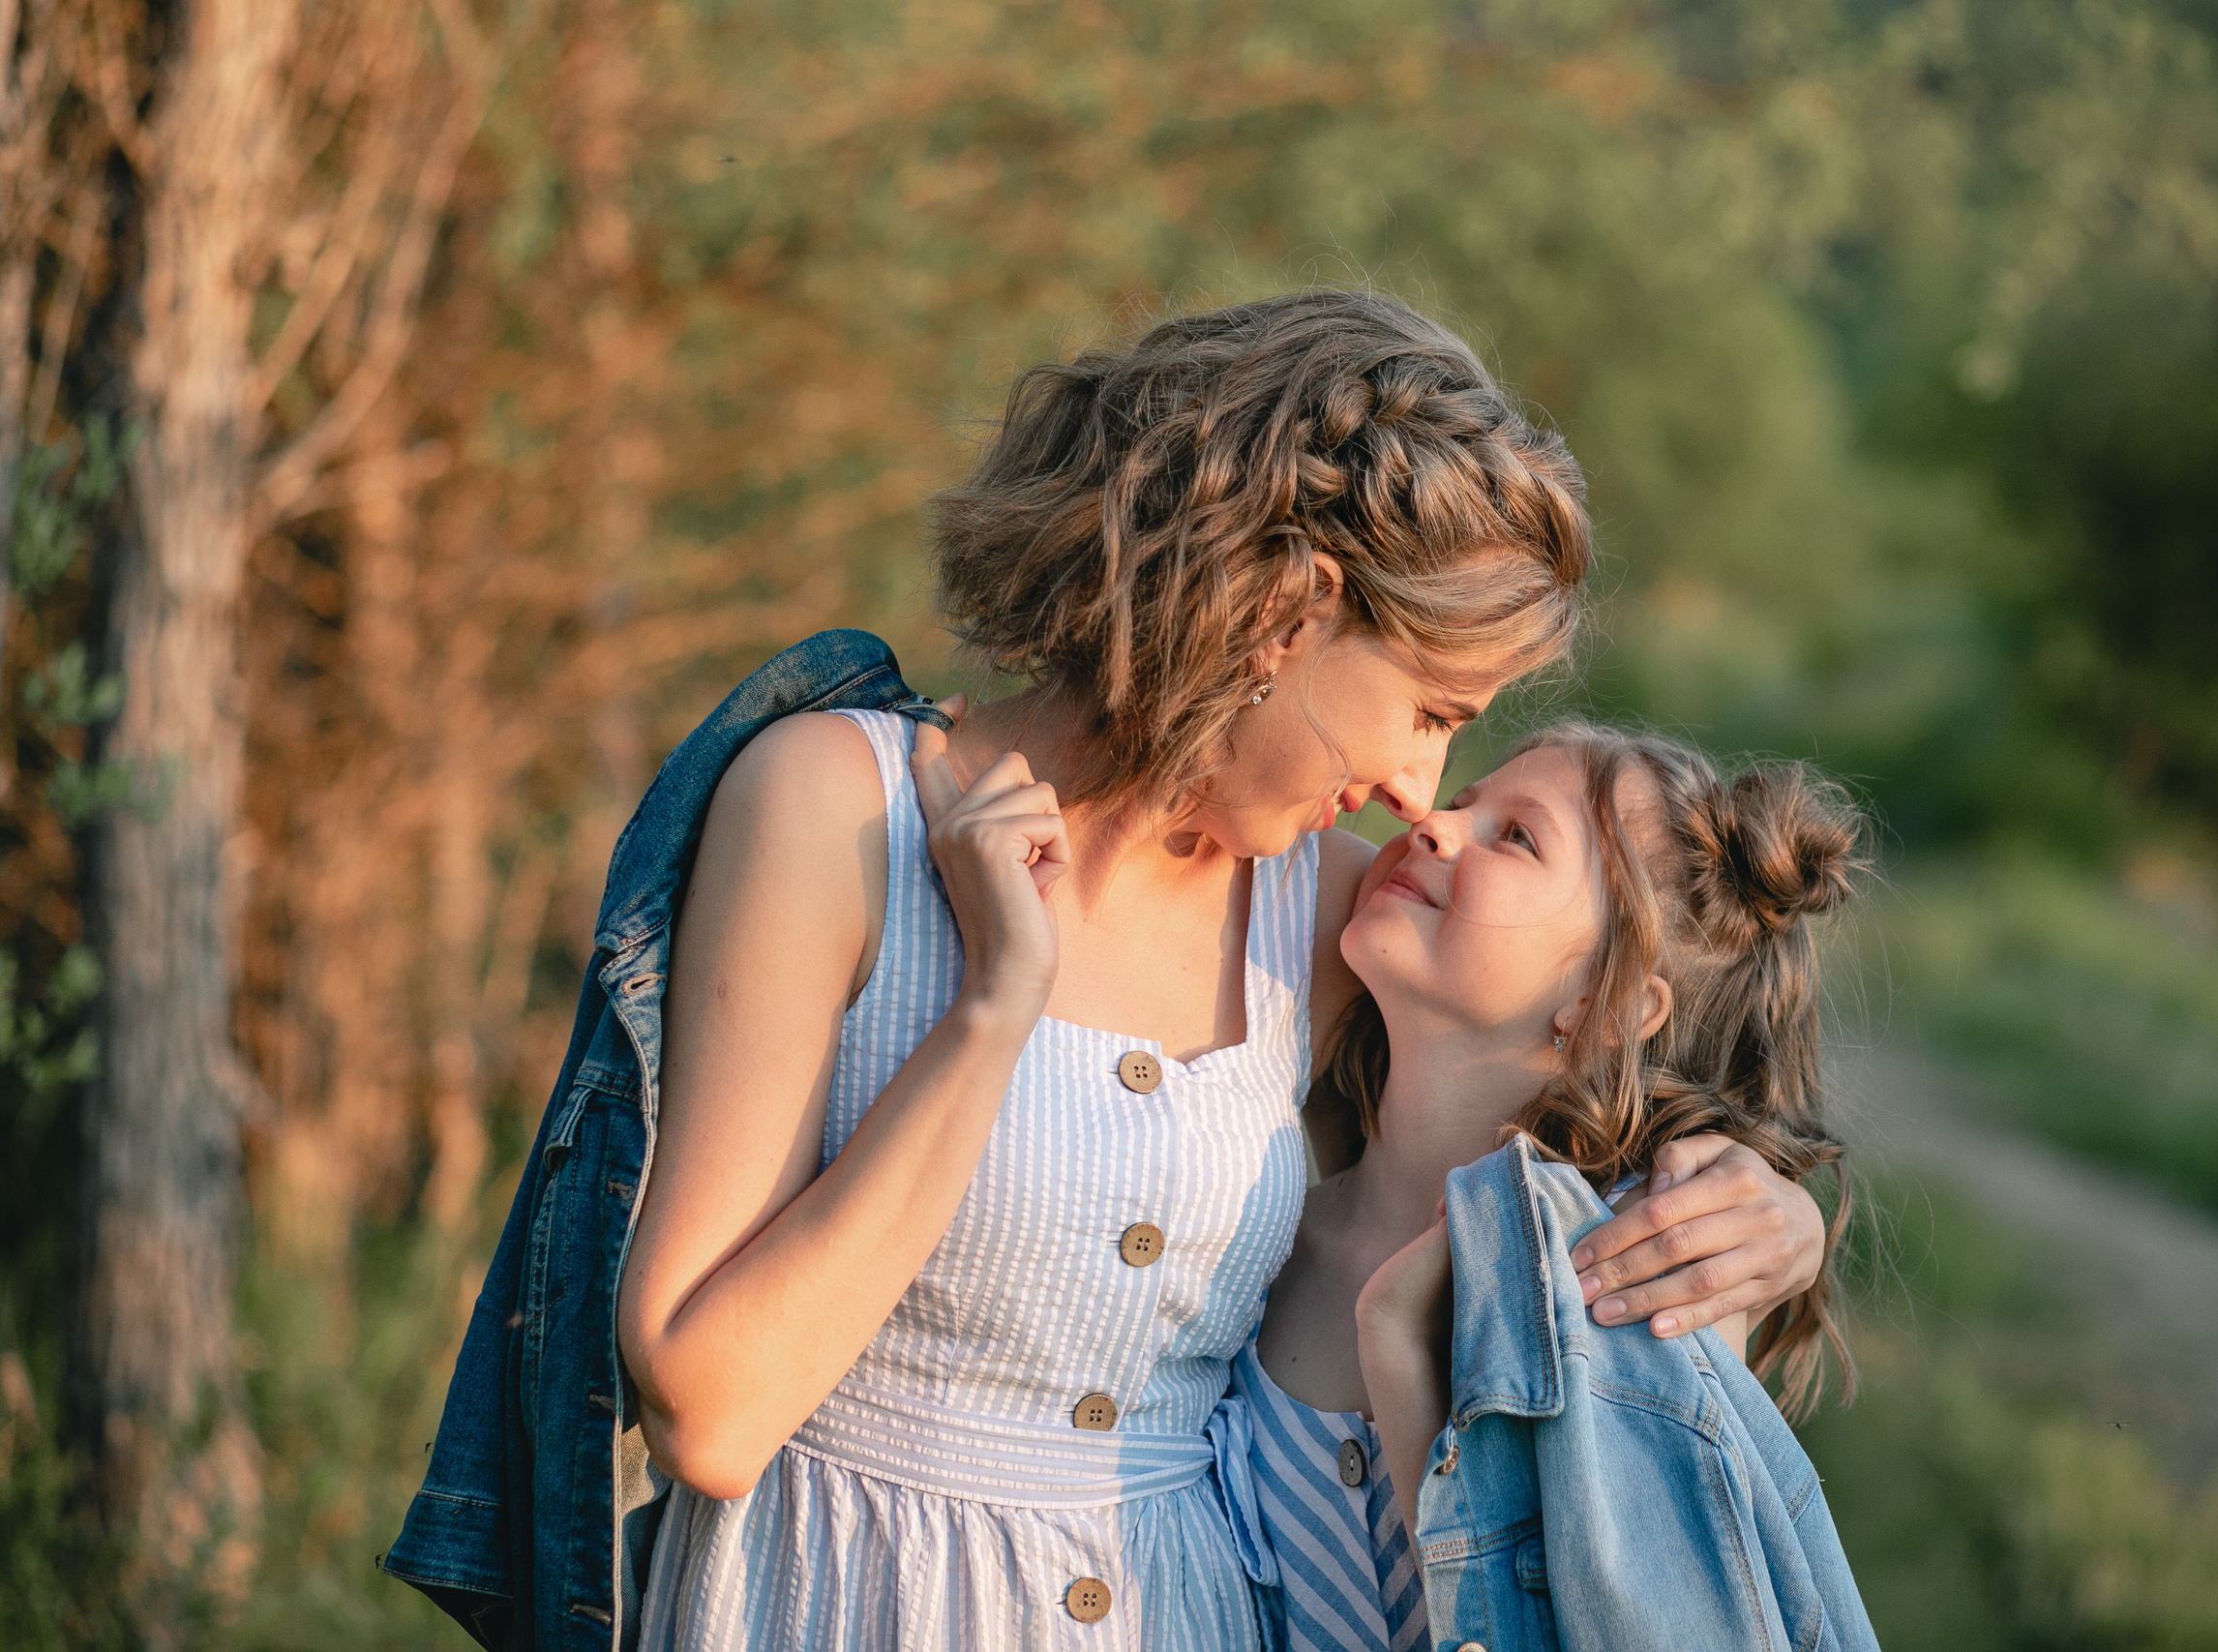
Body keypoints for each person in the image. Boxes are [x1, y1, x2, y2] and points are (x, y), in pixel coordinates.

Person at [435, 290, 1826, 1650]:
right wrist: (992, 1009)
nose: (1420, 787)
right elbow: (710, 1408)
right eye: (1427, 711)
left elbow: (1568, 1068)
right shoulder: (836, 810)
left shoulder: (1327, 914)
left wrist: (1765, 1212)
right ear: (1288, 609)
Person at [1235, 723, 1875, 1650]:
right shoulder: (1254, 1220)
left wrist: (1403, 1358)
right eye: (1462, 804)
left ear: (1606, 1006)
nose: (1431, 826)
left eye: (1515, 836)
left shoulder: (1627, 1282)